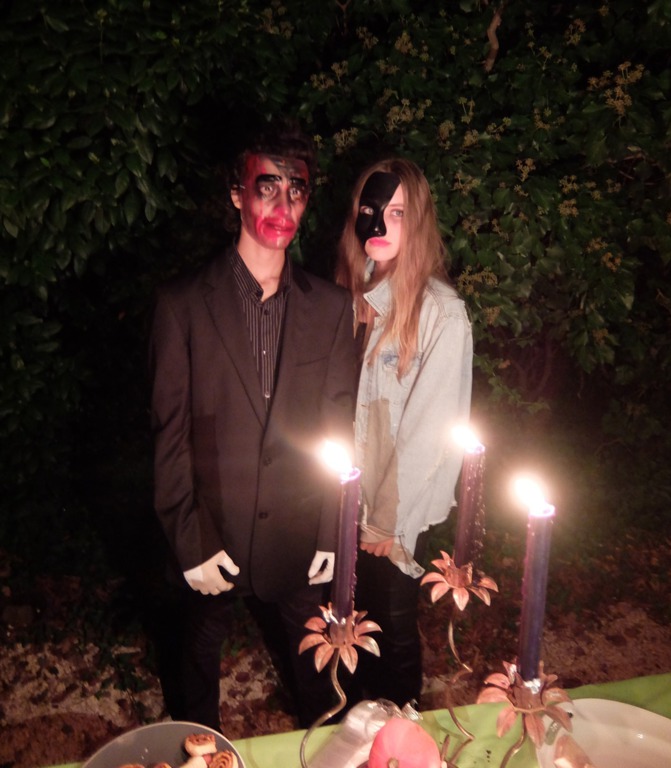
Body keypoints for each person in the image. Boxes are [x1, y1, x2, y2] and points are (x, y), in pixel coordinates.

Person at [149, 118, 357, 730]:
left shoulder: (330, 307)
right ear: (237, 193)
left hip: (297, 533)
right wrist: (188, 539)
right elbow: (169, 434)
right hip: (210, 530)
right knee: (195, 668)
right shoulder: (182, 305)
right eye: (267, 187)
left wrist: (332, 527)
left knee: (322, 682)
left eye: (297, 191)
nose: (283, 206)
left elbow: (338, 427)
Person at [335, 157, 473, 707]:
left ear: (418, 222)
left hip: (392, 510)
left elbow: (429, 431)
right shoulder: (350, 296)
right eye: (370, 210)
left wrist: (387, 520)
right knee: (349, 628)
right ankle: (356, 727)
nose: (380, 224)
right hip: (344, 499)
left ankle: (400, 731)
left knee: (390, 630)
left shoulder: (441, 313)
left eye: (396, 213)